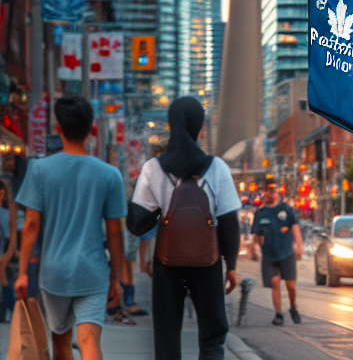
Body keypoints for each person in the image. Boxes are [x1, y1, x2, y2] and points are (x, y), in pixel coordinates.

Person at [127, 97, 242, 360]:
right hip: (208, 261)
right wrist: (231, 265)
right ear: (199, 128)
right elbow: (229, 223)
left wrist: (159, 206)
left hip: (167, 264)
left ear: (171, 126)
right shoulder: (217, 168)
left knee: (166, 338)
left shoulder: (153, 169)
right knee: (213, 337)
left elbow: (136, 224)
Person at [14, 95, 127, 360]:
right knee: (89, 340)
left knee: (61, 343)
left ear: (59, 129)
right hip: (93, 272)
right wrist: (116, 278)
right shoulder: (110, 175)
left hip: (54, 274)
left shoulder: (40, 170)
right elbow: (114, 232)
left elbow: (31, 225)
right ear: (91, 129)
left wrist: (22, 273)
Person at [252, 181, 302, 325]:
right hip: (269, 254)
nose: (268, 193)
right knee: (275, 282)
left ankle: (293, 307)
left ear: (276, 193)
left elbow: (295, 227)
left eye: (271, 191)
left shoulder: (286, 209)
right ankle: (279, 314)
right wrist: (255, 247)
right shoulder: (260, 213)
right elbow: (256, 234)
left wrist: (299, 246)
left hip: (286, 252)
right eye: (266, 191)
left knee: (291, 286)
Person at [0, 180, 16, 322]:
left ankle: (13, 310)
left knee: (5, 282)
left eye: (2, 195)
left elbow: (8, 235)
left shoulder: (5, 214)